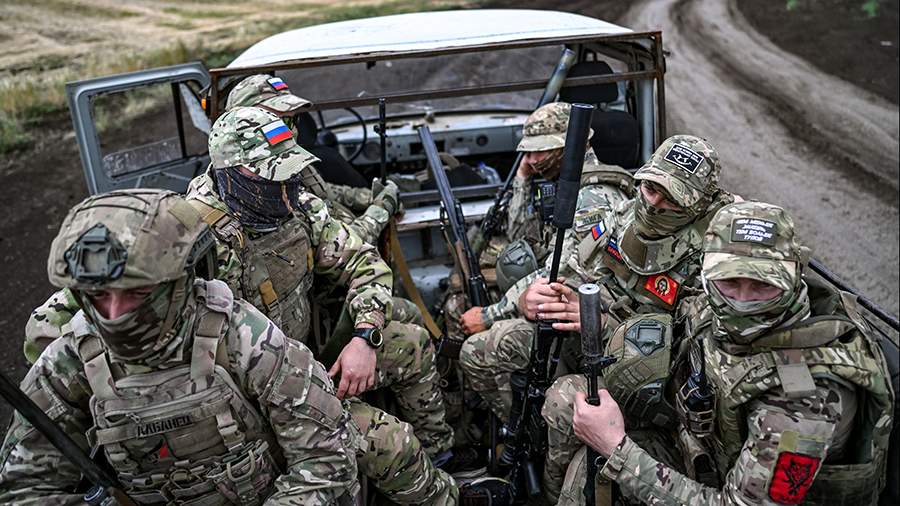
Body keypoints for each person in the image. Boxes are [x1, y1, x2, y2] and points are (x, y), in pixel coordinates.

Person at [187, 106, 504, 503]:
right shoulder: (195, 238)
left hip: (307, 360)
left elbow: (363, 262)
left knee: (412, 343)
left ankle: (442, 458)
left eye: (290, 174)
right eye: (274, 178)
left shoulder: (297, 206)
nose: (287, 189)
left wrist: (365, 337)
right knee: (390, 442)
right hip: (253, 399)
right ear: (235, 174)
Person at [0, 189, 361, 504]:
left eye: (137, 293)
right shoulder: (69, 362)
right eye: (98, 296)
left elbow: (325, 459)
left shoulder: (245, 340)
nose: (114, 313)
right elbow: (25, 488)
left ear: (178, 283)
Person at [458, 135, 735, 502]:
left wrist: (605, 324)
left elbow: (690, 356)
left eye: (670, 198)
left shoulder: (718, 258)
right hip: (588, 338)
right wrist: (530, 298)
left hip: (651, 379)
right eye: (650, 188)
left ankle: (550, 492)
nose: (653, 203)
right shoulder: (624, 215)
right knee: (481, 350)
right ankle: (526, 443)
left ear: (700, 204)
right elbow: (572, 268)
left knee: (563, 401)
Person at [564, 201, 894, 506]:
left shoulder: (803, 400)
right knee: (570, 418)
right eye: (730, 282)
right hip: (703, 450)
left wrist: (617, 449)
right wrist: (601, 320)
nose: (742, 302)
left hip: (731, 489)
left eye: (763, 286)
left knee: (596, 465)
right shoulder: (713, 300)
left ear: (793, 280)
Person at [454, 101, 633, 337]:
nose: (531, 159)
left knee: (479, 344)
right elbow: (519, 238)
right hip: (548, 295)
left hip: (580, 313)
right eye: (527, 152)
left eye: (539, 151)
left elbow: (559, 275)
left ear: (567, 148)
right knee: (458, 299)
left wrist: (489, 315)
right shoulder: (566, 185)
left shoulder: (593, 199)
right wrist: (522, 177)